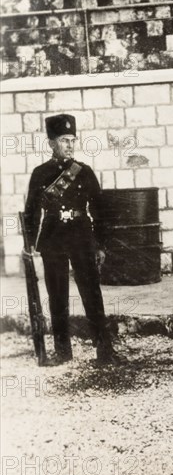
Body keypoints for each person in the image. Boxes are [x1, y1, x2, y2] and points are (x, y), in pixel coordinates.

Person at [24, 113, 122, 365]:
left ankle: (104, 349)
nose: (69, 145)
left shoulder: (84, 172)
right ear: (51, 144)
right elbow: (32, 211)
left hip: (81, 235)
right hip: (53, 237)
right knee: (57, 295)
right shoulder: (40, 173)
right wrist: (28, 245)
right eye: (63, 140)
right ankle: (62, 351)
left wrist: (100, 244)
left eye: (72, 140)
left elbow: (99, 211)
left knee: (91, 292)